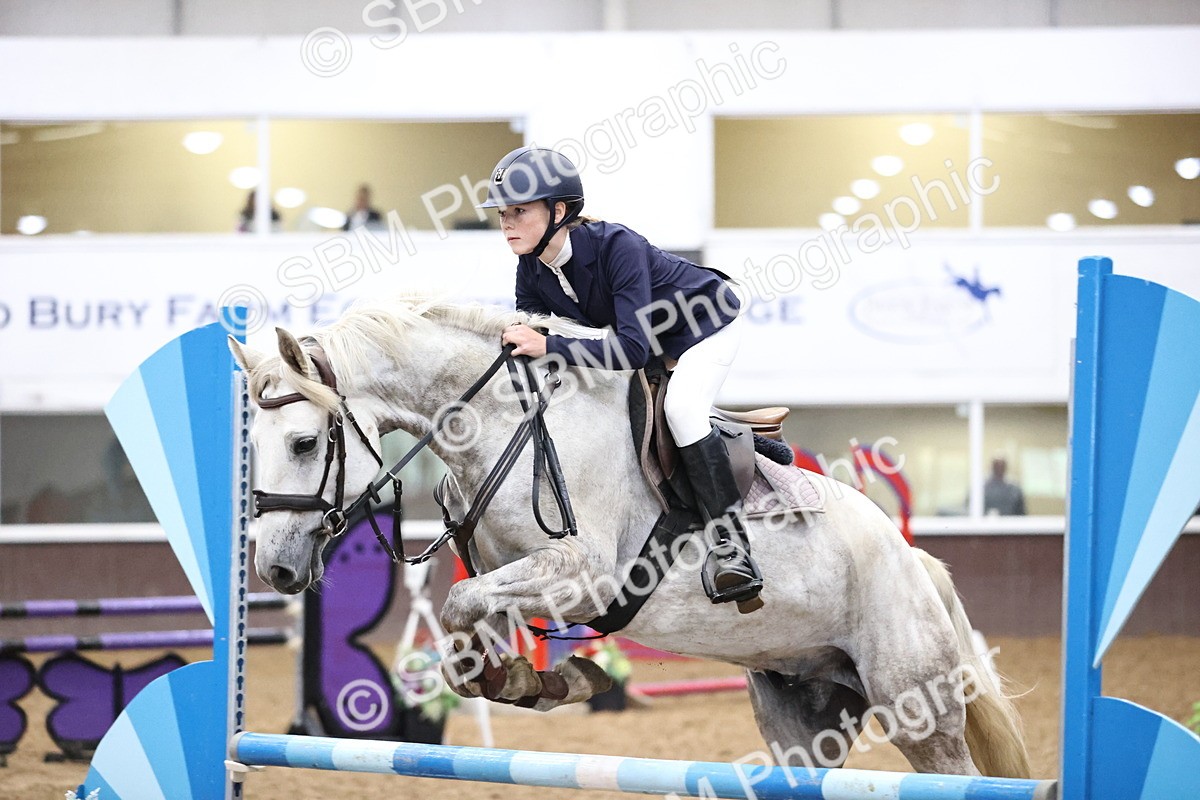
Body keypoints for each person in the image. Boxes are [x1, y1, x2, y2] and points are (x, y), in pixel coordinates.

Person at [478, 146, 763, 612]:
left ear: (560, 211)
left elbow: (629, 349)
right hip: (648, 343)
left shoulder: (618, 247)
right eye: (503, 213)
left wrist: (547, 346)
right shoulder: (530, 266)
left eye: (519, 211)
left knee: (683, 411)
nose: (506, 223)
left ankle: (733, 550)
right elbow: (534, 347)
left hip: (705, 325)